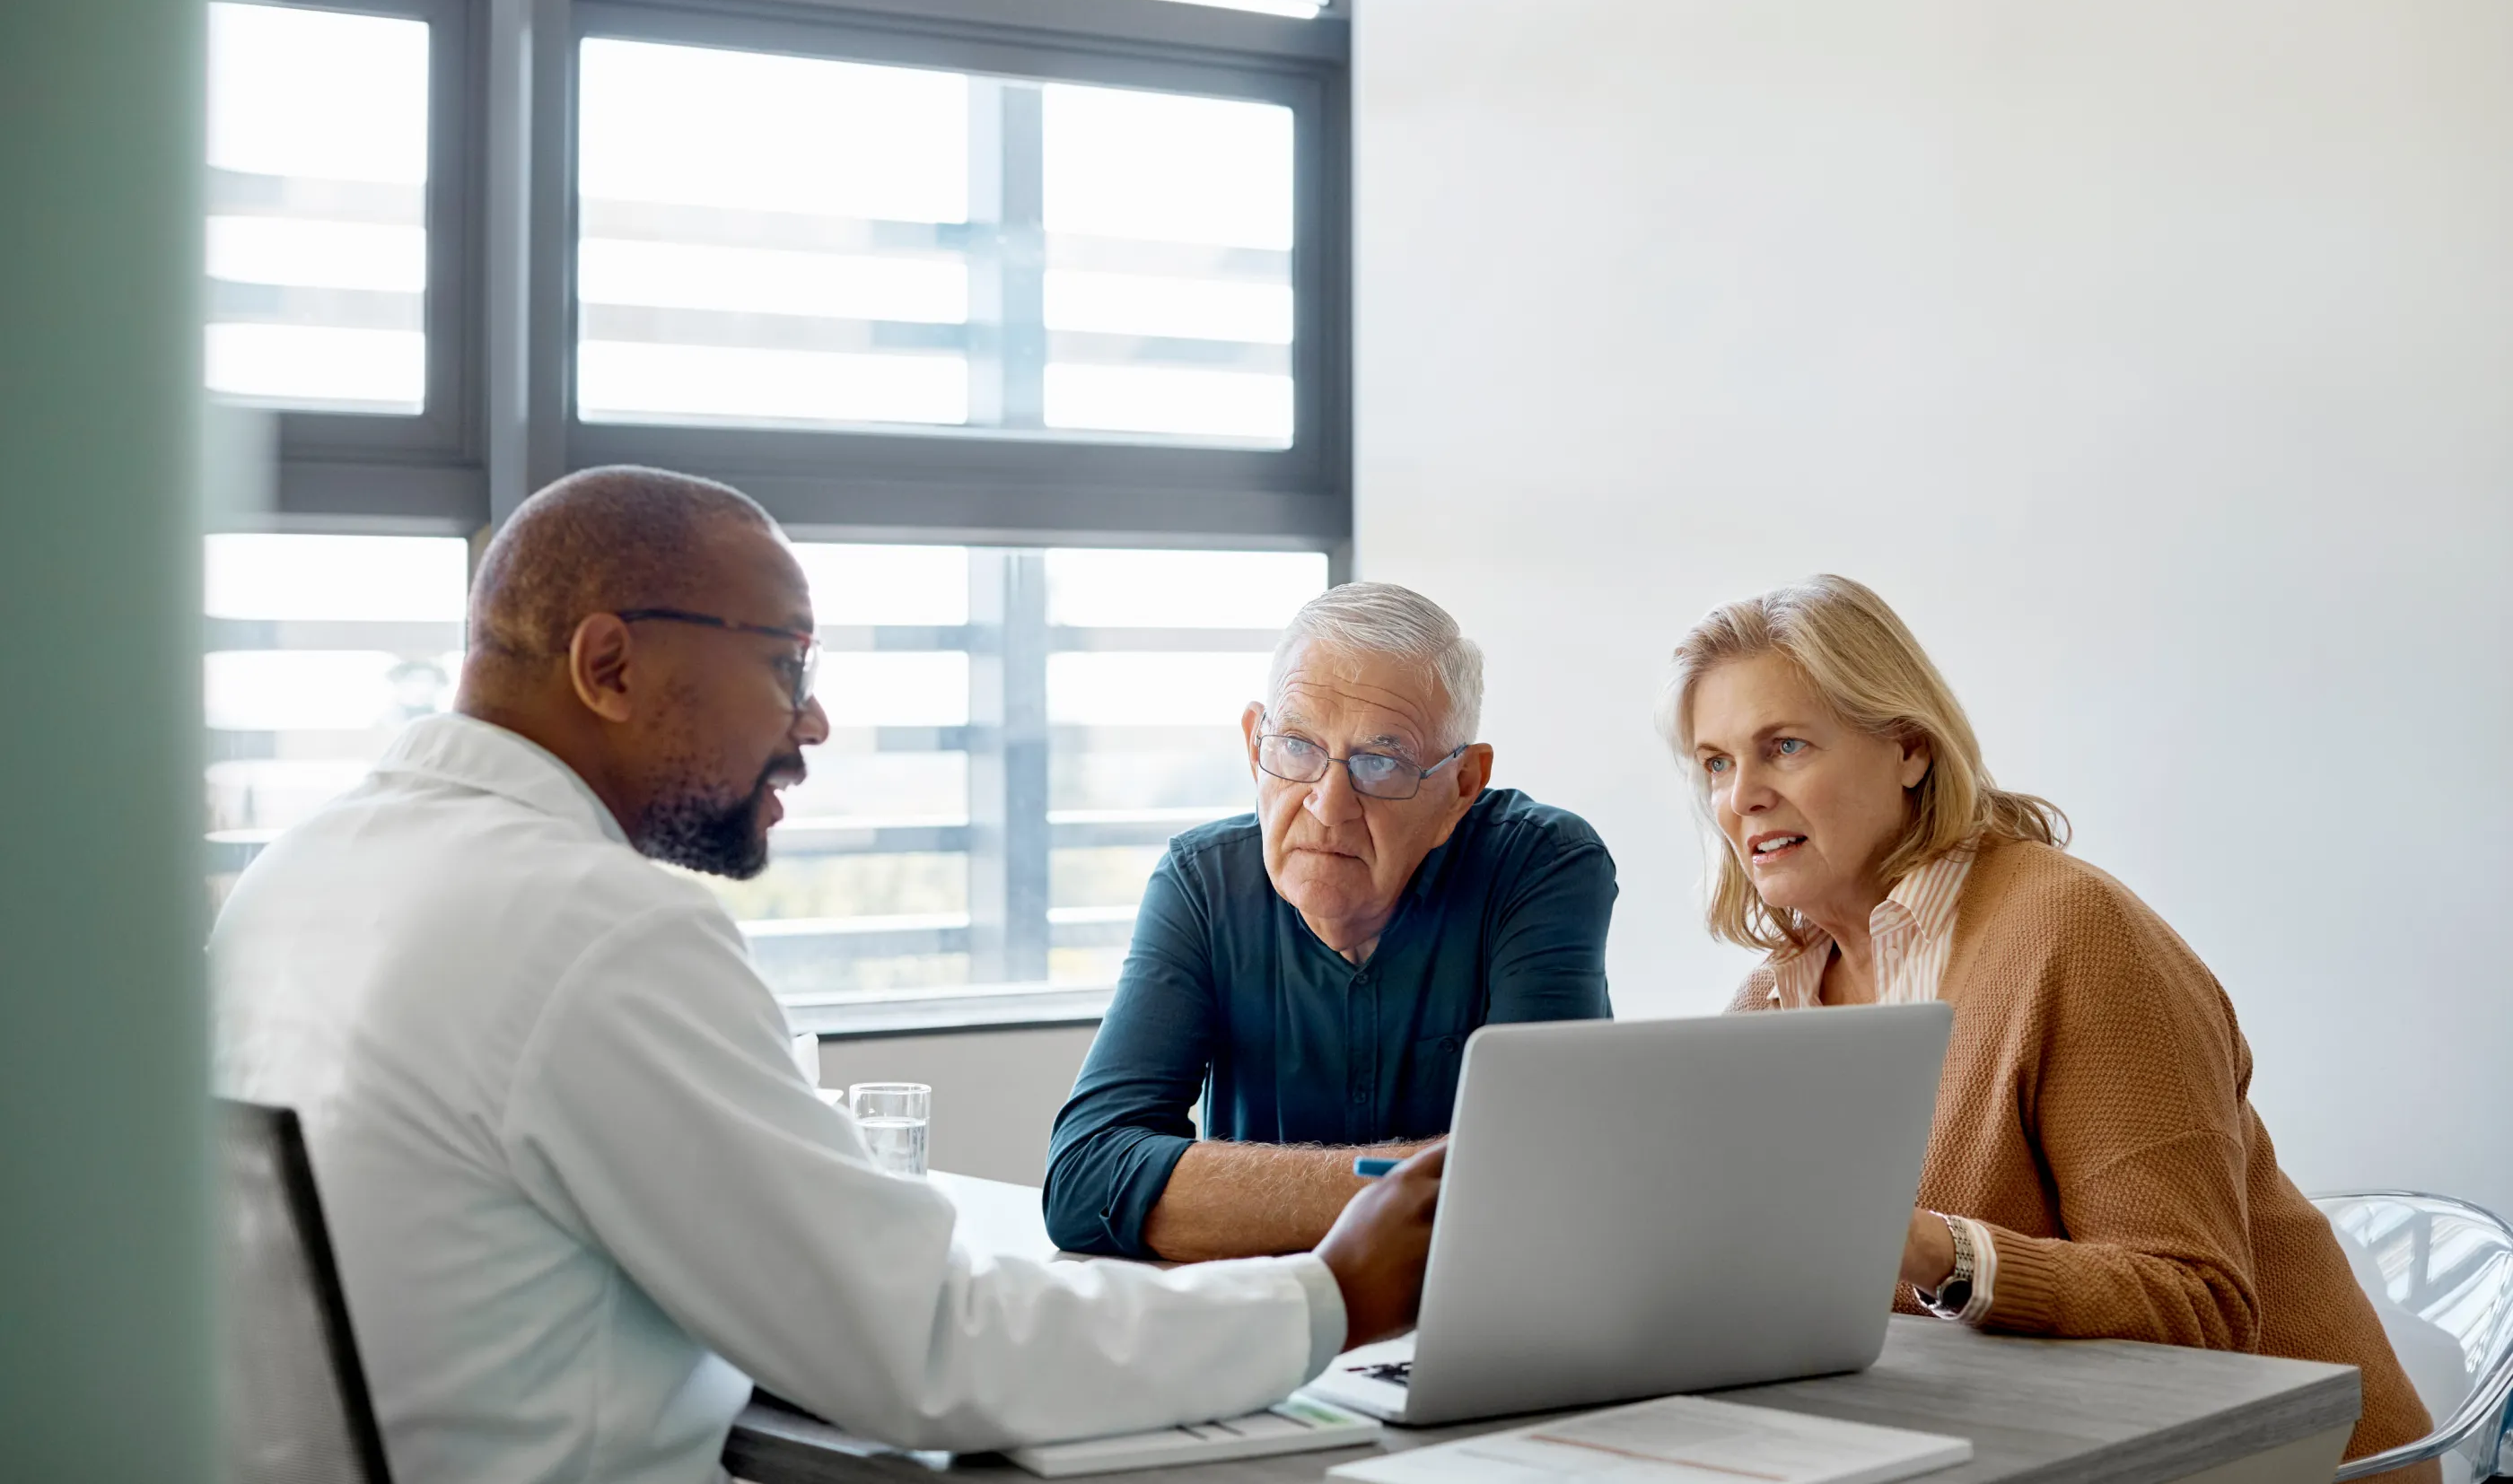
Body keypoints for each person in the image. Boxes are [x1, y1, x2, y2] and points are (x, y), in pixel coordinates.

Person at [209, 467, 1446, 1484]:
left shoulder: (298, 877)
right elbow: (924, 1347)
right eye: (786, 665)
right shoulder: (590, 929)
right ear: (610, 665)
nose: (813, 724)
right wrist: (1324, 1294)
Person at [1661, 573, 2432, 1480]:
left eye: (1783, 747)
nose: (1741, 796)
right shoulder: (1770, 1003)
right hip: (2005, 1453)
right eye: (1715, 763)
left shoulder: (2069, 931)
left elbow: (2199, 1307)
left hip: (2274, 1462)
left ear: (1908, 747)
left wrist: (1922, 1245)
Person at [1046, 583, 1614, 1261]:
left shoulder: (1539, 866)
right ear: (1254, 742)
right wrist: (1441, 1179)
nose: (1328, 804)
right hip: (1262, 1329)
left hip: (1474, 1328)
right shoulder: (1203, 884)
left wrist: (1222, 1193)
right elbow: (1086, 1183)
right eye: (1295, 746)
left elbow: (1543, 1177)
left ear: (1463, 785)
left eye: (1381, 762)